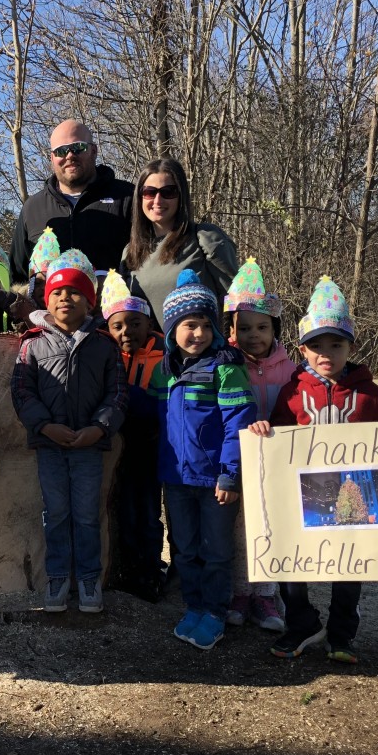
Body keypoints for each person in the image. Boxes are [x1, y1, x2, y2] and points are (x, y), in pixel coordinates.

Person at [249, 276, 378, 664]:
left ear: (351, 347)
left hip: (354, 495)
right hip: (305, 497)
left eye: (335, 344)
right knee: (293, 562)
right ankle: (302, 624)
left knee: (349, 566)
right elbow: (279, 437)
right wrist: (265, 431)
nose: (325, 353)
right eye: (316, 345)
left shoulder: (368, 392)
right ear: (302, 349)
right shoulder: (292, 391)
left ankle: (342, 633)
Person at [11, 249, 127, 614]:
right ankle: (58, 575)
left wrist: (99, 428)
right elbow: (21, 391)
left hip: (90, 446)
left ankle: (90, 576)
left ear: (90, 302)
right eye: (58, 291)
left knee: (87, 514)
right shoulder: (32, 343)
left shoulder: (105, 345)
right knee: (56, 512)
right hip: (50, 445)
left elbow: (118, 393)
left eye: (76, 291)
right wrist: (45, 425)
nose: (66, 298)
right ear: (47, 299)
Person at [147, 270, 257, 651]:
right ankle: (193, 606)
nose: (198, 334)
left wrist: (230, 475)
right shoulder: (163, 372)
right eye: (189, 325)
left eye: (205, 325)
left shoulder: (225, 368)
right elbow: (151, 417)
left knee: (215, 551)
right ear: (172, 328)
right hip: (175, 480)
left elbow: (237, 426)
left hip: (214, 483)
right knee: (185, 549)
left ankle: (215, 612)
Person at [223, 258, 291, 631]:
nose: (254, 335)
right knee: (239, 530)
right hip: (239, 462)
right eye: (244, 328)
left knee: (270, 528)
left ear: (274, 329)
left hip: (277, 463)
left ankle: (266, 596)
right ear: (231, 330)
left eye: (262, 327)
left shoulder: (290, 369)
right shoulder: (227, 366)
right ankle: (240, 593)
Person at [100, 272, 169, 602]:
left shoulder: (165, 355)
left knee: (148, 511)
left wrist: (128, 396)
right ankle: (125, 568)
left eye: (135, 323)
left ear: (148, 322)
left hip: (150, 444)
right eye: (118, 326)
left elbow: (162, 402)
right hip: (116, 445)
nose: (126, 332)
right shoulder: (106, 355)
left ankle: (151, 569)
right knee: (122, 509)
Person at [9, 120, 134, 285]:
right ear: (52, 157)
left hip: (114, 309)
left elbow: (147, 263)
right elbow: (17, 277)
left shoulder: (127, 196)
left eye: (78, 147)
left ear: (94, 151)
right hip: (49, 310)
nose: (69, 156)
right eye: (61, 151)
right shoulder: (33, 208)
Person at [119, 159, 238, 327]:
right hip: (150, 352)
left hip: (201, 350)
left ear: (181, 196)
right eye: (149, 192)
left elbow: (235, 302)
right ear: (139, 197)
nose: (158, 200)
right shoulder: (130, 252)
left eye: (168, 191)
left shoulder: (205, 238)